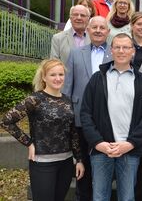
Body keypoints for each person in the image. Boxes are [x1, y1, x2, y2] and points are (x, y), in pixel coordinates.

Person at [80, 33, 142, 200]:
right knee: (99, 196)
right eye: (117, 47)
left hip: (129, 149)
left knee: (127, 197)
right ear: (111, 50)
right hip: (101, 149)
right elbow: (85, 113)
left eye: (126, 47)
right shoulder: (97, 79)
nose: (121, 51)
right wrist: (98, 143)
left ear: (133, 51)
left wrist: (131, 143)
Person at [0, 59, 84, 201]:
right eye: (53, 75)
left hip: (66, 162)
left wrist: (79, 159)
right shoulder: (35, 99)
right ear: (44, 77)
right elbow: (6, 121)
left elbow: (73, 132)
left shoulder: (68, 101)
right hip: (43, 163)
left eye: (61, 74)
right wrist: (29, 143)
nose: (58, 78)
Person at [63, 15, 112, 201]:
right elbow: (67, 87)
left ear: (108, 32)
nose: (98, 30)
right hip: (79, 118)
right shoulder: (76, 53)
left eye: (102, 27)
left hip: (107, 119)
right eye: (95, 27)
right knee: (82, 165)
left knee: (102, 165)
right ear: (88, 30)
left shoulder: (115, 53)